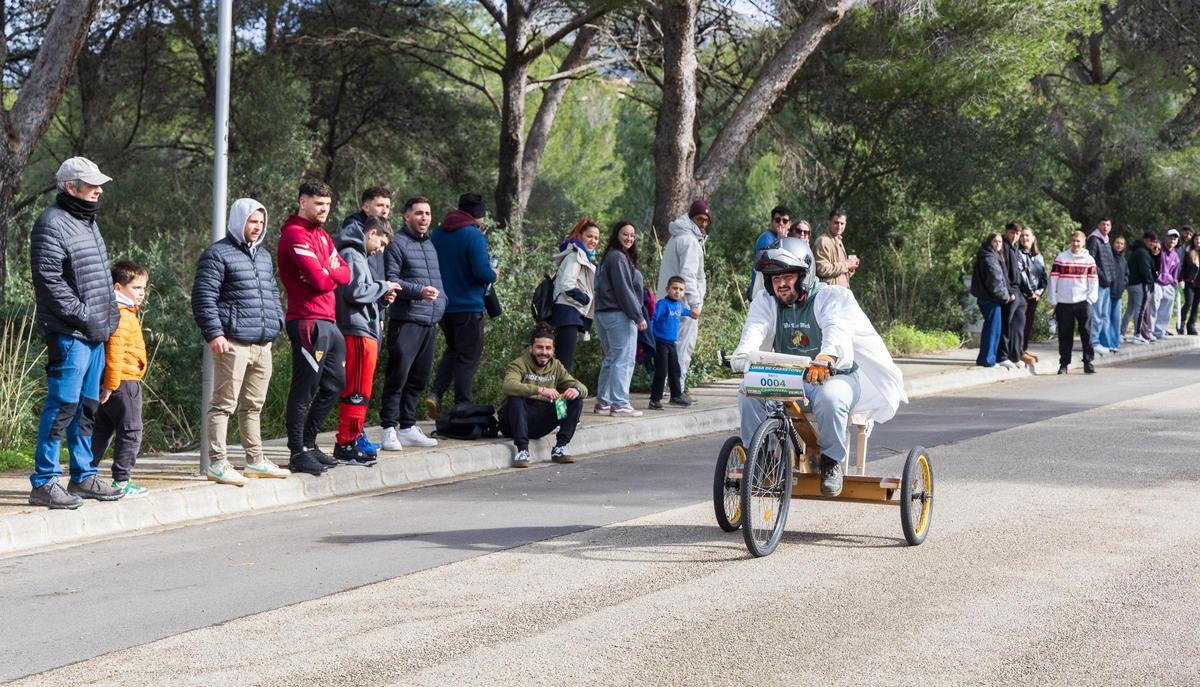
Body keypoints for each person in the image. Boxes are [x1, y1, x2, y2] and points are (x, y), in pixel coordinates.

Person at [732, 237, 905, 497]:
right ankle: (761, 456)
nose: (780, 283)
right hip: (791, 378)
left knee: (830, 397)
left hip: (838, 377)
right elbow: (752, 334)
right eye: (774, 278)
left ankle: (831, 462)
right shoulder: (765, 302)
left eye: (787, 276)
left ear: (804, 274)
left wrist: (826, 358)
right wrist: (742, 357)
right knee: (748, 390)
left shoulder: (831, 297)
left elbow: (837, 332)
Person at [28, 157, 123, 509]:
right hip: (70, 335)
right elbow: (50, 283)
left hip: (94, 332)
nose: (99, 189)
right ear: (71, 187)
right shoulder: (51, 224)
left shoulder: (87, 221)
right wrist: (85, 317)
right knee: (62, 407)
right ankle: (44, 481)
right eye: (92, 184)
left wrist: (104, 319)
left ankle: (83, 476)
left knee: (86, 408)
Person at [192, 198, 290, 486]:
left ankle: (255, 460)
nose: (257, 227)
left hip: (263, 344)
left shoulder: (263, 255)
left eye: (261, 222)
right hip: (232, 342)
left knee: (253, 405)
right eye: (252, 221)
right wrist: (215, 334)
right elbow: (203, 298)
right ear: (239, 221)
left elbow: (272, 292)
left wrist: (277, 322)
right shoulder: (217, 254)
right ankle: (218, 463)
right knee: (223, 404)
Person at [277, 179, 351, 475]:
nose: (324, 210)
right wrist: (327, 272)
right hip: (307, 321)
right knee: (304, 388)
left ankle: (309, 443)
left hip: (329, 321)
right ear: (303, 202)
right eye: (318, 204)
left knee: (335, 385)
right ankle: (297, 451)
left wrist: (326, 271)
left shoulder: (321, 235)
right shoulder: (294, 235)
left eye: (328, 205)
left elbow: (344, 274)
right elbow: (323, 281)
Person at [333, 216, 401, 466]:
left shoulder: (359, 255)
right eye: (381, 244)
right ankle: (346, 443)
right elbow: (353, 291)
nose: (380, 250)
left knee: (361, 390)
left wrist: (382, 298)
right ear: (372, 233)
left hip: (363, 328)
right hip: (357, 331)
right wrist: (383, 285)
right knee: (356, 391)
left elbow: (361, 292)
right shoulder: (353, 254)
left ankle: (351, 439)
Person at [379, 196, 444, 451]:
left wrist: (442, 302)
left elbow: (438, 282)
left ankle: (407, 427)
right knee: (398, 376)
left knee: (419, 377)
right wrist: (418, 291)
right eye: (419, 213)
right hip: (406, 321)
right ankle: (388, 428)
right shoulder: (397, 244)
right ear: (407, 216)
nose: (424, 218)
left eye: (427, 213)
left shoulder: (430, 245)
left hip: (429, 321)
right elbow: (391, 279)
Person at [429, 193, 497, 414]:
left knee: (453, 350)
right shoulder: (473, 235)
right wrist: (494, 273)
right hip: (468, 305)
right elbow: (481, 272)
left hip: (443, 306)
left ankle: (436, 393)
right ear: (478, 215)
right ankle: (462, 404)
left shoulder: (437, 233)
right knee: (469, 356)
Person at [91, 260, 149, 498]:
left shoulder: (117, 312)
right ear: (117, 287)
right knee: (131, 430)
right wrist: (112, 385)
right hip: (123, 382)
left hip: (113, 382)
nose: (142, 293)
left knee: (102, 429)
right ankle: (122, 480)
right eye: (136, 288)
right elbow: (114, 353)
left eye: (144, 288)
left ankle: (85, 473)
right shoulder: (122, 315)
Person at [500, 324, 587, 468]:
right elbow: (508, 386)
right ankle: (522, 450)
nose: (544, 352)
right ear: (531, 348)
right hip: (514, 421)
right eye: (540, 347)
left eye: (548, 348)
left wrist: (576, 390)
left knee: (576, 400)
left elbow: (582, 387)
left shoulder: (557, 366)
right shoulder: (519, 364)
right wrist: (540, 390)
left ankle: (560, 448)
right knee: (516, 398)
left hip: (540, 422)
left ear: (553, 350)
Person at [595, 220, 648, 417]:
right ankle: (620, 403)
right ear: (617, 234)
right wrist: (638, 316)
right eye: (625, 234)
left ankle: (604, 402)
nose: (629, 238)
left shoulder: (610, 256)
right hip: (618, 314)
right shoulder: (617, 257)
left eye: (632, 235)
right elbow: (623, 289)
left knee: (611, 358)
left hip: (603, 314)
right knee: (623, 360)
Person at [658, 200, 710, 398]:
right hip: (683, 305)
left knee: (668, 348)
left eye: (706, 220)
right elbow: (688, 276)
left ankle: (664, 388)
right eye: (699, 219)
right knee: (682, 348)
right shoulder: (688, 241)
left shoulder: (679, 237)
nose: (703, 223)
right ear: (691, 218)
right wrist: (695, 303)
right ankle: (677, 389)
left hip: (669, 303)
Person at [548, 218, 600, 370]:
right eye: (589, 236)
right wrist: (586, 299)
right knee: (564, 364)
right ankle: (561, 394)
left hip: (570, 314)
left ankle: (559, 392)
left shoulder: (583, 257)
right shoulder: (575, 256)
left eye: (596, 238)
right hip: (567, 314)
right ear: (579, 236)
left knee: (562, 363)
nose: (593, 241)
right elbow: (567, 284)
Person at [1048, 230, 1099, 374]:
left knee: (1086, 334)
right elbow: (1053, 279)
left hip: (1083, 302)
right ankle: (1064, 364)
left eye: (1078, 241)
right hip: (1064, 303)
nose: (1075, 244)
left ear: (1083, 243)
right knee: (1065, 335)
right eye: (1073, 241)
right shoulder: (1062, 258)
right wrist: (1053, 299)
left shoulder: (1089, 260)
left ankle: (1088, 362)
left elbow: (1093, 281)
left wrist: (1090, 299)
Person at [649, 276, 697, 410]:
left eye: (681, 289)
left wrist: (691, 313)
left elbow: (683, 311)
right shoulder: (662, 304)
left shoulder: (678, 305)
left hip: (671, 343)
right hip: (660, 342)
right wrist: (650, 337)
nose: (677, 292)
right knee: (661, 371)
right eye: (674, 288)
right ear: (667, 289)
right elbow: (652, 318)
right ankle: (654, 399)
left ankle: (676, 396)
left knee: (675, 370)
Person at [970, 233, 1011, 367]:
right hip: (991, 300)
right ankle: (988, 360)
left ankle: (988, 358)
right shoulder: (989, 258)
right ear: (989, 243)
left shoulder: (991, 256)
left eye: (1000, 241)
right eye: (995, 241)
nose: (998, 244)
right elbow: (995, 282)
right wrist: (1005, 297)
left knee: (992, 329)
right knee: (993, 330)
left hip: (989, 299)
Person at [340, 186, 392, 283]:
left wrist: (383, 290)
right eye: (380, 205)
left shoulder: (383, 231)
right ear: (366, 207)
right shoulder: (354, 229)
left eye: (388, 207)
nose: (385, 211)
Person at [997, 222, 1026, 369]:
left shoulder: (1014, 248)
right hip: (1010, 292)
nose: (1015, 236)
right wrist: (1009, 292)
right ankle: (1002, 356)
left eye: (1017, 233)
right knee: (1006, 326)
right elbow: (1002, 272)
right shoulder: (1003, 245)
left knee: (1018, 326)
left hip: (1018, 291)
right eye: (1012, 233)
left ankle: (1015, 355)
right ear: (1006, 232)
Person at [1085, 218, 1117, 353]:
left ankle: (1102, 342)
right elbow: (1091, 261)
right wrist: (1102, 276)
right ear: (1098, 225)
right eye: (1103, 224)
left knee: (1104, 315)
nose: (1105, 227)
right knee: (1096, 314)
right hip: (1098, 283)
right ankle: (1093, 342)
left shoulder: (1106, 240)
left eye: (1108, 224)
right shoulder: (1094, 239)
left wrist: (1111, 278)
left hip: (1107, 284)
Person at [747, 205, 791, 299]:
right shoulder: (766, 238)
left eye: (785, 221)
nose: (781, 223)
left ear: (789, 224)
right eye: (777, 220)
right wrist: (780, 241)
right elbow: (768, 265)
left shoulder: (789, 239)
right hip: (762, 293)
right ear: (772, 222)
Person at [1018, 226, 1047, 363]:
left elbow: (1043, 278)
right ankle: (1017, 351)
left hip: (1035, 296)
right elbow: (1021, 275)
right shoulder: (1018, 254)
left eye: (1027, 235)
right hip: (1023, 295)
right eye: (1022, 235)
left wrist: (1039, 292)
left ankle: (1023, 349)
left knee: (1028, 324)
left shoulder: (1039, 257)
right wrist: (1029, 292)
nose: (1025, 238)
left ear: (1033, 238)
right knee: (1019, 324)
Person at [1123, 231, 1157, 344]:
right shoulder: (1143, 253)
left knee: (1130, 309)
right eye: (1151, 241)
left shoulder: (1137, 250)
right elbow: (1145, 271)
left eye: (1154, 241)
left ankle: (1121, 333)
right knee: (1140, 310)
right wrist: (1150, 281)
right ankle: (1137, 334)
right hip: (1140, 284)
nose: (1152, 244)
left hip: (1131, 284)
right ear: (1145, 240)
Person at [813, 210, 859, 288]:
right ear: (828, 223)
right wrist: (846, 265)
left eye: (842, 223)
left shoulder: (838, 241)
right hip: (830, 294)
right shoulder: (823, 241)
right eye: (836, 223)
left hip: (842, 293)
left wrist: (851, 267)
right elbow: (822, 269)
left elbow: (840, 272)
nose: (839, 227)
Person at [1151, 229, 1181, 340]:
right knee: (1154, 307)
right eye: (1170, 238)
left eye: (1175, 239)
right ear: (1166, 238)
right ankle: (1151, 330)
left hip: (1169, 284)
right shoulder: (1160, 249)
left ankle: (1160, 331)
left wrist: (1174, 282)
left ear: (1177, 241)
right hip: (1157, 283)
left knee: (1166, 309)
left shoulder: (1175, 255)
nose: (1172, 240)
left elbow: (1175, 272)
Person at [1174, 226, 1194, 334]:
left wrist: (1180, 278)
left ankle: (1179, 324)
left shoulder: (1183, 247)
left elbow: (1181, 265)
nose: (1188, 236)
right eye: (1187, 233)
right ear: (1182, 232)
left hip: (1178, 279)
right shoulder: (1176, 244)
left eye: (1190, 235)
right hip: (1170, 278)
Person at [1180, 233, 1200, 335]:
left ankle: (1191, 326)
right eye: (1196, 239)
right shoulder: (1188, 251)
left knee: (1196, 305)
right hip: (1189, 282)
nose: (1198, 242)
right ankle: (1181, 324)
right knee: (1189, 302)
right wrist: (1181, 279)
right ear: (1193, 241)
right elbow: (1182, 267)